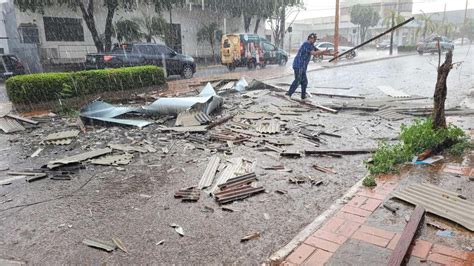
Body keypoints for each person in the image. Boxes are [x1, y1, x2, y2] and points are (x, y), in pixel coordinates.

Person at [286, 33, 334, 100]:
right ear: (310, 38)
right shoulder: (306, 44)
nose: (315, 41)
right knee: (298, 80)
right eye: (314, 39)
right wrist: (323, 52)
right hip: (299, 65)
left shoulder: (311, 45)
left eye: (315, 40)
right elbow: (313, 53)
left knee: (304, 82)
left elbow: (318, 51)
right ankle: (288, 94)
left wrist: (328, 52)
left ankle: (303, 96)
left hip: (303, 66)